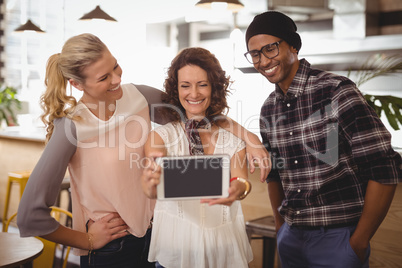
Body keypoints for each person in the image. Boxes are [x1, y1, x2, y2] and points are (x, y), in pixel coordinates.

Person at [244, 11, 402, 268]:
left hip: (339, 239)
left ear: (293, 45)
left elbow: (384, 167)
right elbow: (274, 174)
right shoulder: (269, 108)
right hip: (291, 239)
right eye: (255, 54)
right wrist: (280, 226)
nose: (263, 60)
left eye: (270, 48)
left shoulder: (336, 91)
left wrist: (358, 242)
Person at [17, 33, 163, 267]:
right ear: (77, 84)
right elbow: (29, 216)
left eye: (115, 66)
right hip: (114, 251)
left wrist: (244, 136)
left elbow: (196, 116)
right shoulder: (72, 127)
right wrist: (87, 239)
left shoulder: (141, 97)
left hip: (159, 239)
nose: (116, 79)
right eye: (104, 77)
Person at [141, 47, 254, 268]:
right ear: (176, 89)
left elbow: (241, 180)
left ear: (214, 87)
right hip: (175, 251)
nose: (194, 94)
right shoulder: (160, 137)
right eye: (185, 86)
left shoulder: (233, 139)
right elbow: (154, 188)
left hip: (224, 248)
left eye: (202, 84)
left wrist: (238, 189)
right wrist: (149, 185)